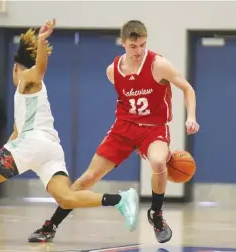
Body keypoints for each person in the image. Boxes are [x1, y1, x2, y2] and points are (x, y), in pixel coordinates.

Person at [0, 18, 139, 242]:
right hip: (50, 149)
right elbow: (16, 132)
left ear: (15, 67)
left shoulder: (26, 79)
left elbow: (40, 69)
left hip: (33, 144)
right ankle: (119, 200)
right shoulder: (26, 96)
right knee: (67, 198)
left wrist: (42, 41)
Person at [28, 20, 200, 244]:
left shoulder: (158, 64)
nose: (138, 51)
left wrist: (191, 117)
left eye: (142, 45)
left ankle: (156, 215)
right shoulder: (113, 71)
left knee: (158, 162)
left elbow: (187, 88)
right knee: (88, 178)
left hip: (153, 129)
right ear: (124, 43)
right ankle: (50, 225)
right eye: (133, 46)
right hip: (124, 128)